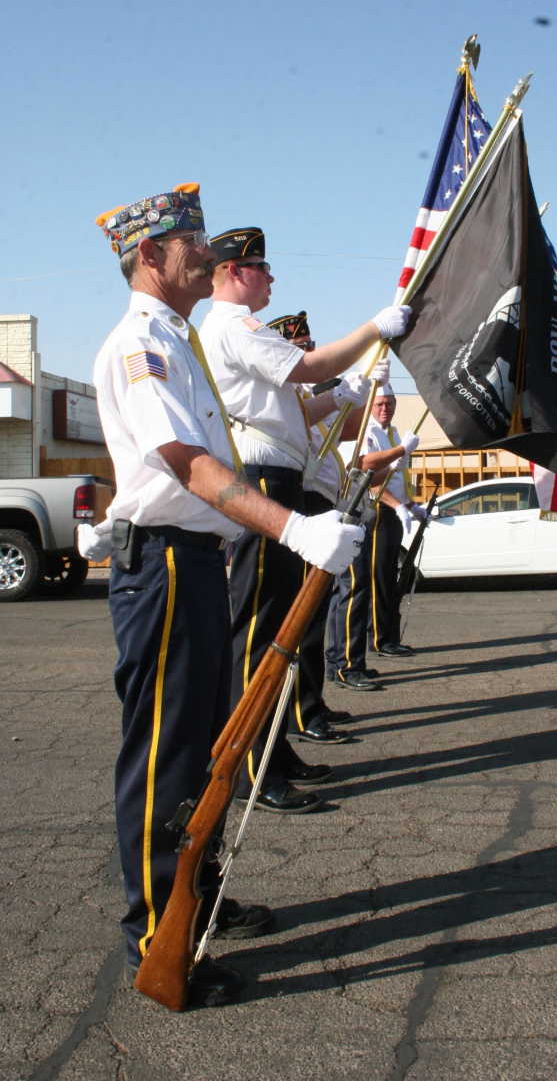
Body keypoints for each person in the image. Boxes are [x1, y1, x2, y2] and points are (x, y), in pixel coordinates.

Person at [89, 186, 364, 1007]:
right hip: (167, 565)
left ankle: (196, 900)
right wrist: (292, 528)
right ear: (149, 255)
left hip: (197, 559)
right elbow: (187, 463)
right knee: (168, 755)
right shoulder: (142, 344)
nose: (207, 257)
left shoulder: (179, 340)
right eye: (193, 246)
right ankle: (157, 933)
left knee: (207, 749)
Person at [198, 229, 410, 812]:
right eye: (261, 267)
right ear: (234, 271)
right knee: (260, 628)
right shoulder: (234, 325)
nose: (270, 277)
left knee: (282, 624)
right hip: (262, 482)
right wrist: (373, 330)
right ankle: (248, 764)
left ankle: (272, 748)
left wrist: (344, 394)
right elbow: (309, 365)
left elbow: (295, 412)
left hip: (280, 479)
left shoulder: (242, 329)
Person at [266, 310, 383, 735]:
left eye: (310, 346)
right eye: (300, 348)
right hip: (303, 502)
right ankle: (301, 711)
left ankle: (311, 703)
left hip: (322, 501)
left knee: (315, 611)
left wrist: (368, 389)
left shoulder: (304, 395)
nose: (308, 352)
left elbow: (348, 430)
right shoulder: (283, 397)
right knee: (302, 612)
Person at [325, 380, 426, 688]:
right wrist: (400, 452)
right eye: (379, 403)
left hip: (366, 512)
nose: (384, 409)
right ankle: (346, 664)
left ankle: (347, 660)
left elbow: (382, 474)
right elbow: (363, 467)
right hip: (358, 512)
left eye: (389, 404)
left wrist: (409, 504)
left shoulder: (385, 433)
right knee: (354, 589)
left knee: (361, 588)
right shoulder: (361, 431)